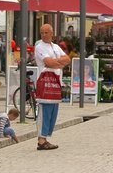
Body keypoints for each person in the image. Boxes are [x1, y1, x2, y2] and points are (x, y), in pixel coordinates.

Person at [35, 23, 70, 151]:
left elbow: (67, 59)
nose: (44, 35)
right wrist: (58, 63)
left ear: (52, 33)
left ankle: (46, 137)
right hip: (44, 81)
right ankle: (41, 139)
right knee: (45, 110)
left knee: (53, 111)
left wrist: (56, 63)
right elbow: (48, 62)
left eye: (46, 32)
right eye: (42, 32)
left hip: (56, 82)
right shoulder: (39, 47)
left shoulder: (55, 47)